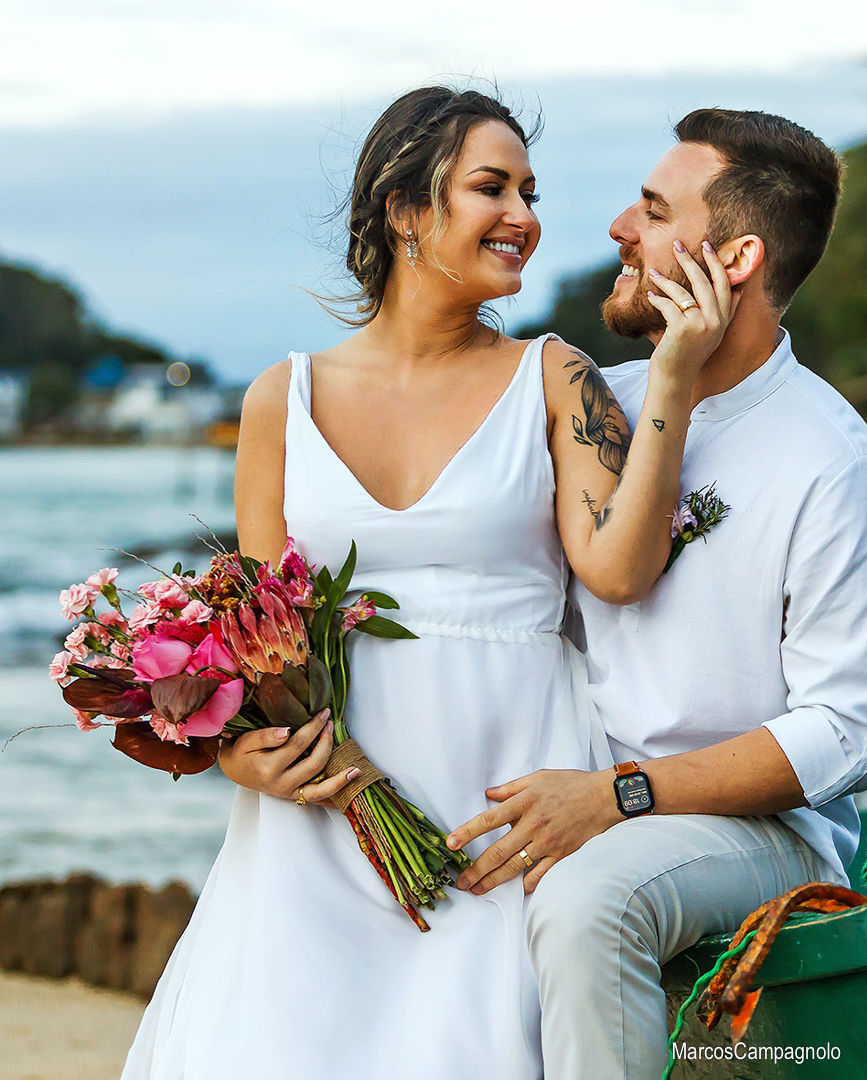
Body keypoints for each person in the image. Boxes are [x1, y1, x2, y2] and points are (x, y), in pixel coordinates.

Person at [120, 87, 735, 1079]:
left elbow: (619, 572)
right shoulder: (283, 398)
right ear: (404, 209)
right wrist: (242, 761)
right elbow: (253, 636)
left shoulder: (555, 375)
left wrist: (669, 381)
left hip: (502, 804)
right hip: (322, 818)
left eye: (531, 191)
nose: (524, 216)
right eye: (490, 188)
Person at [444, 109, 867, 1079]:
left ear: (734, 258)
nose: (619, 224)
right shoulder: (592, 404)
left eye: (655, 210)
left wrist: (621, 798)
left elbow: (848, 729)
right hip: (561, 783)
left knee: (591, 896)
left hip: (755, 835)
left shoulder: (834, 467)